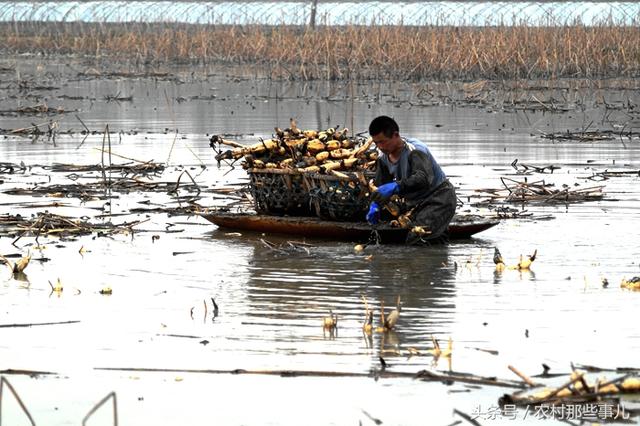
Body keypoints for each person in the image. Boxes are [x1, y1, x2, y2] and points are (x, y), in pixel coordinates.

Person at [366, 116, 457, 243]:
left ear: (395, 135)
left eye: (383, 141)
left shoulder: (415, 150)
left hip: (439, 198)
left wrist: (396, 186)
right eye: (376, 143)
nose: (380, 147)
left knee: (417, 237)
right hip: (415, 203)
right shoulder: (383, 157)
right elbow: (381, 186)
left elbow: (423, 179)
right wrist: (375, 204)